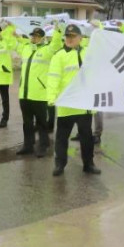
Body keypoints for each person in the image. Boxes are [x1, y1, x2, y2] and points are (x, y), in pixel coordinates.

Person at [47, 24, 100, 177]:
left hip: (84, 105)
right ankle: (60, 164)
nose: (69, 39)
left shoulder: (88, 52)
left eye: (73, 36)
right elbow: (53, 78)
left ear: (80, 38)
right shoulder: (59, 55)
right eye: (67, 36)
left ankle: (88, 164)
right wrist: (51, 97)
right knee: (62, 138)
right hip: (67, 104)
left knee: (87, 138)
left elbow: (101, 42)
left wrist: (99, 26)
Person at [11, 24, 63, 157]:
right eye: (33, 36)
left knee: (41, 123)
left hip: (40, 94)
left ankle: (43, 145)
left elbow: (56, 44)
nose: (34, 38)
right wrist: (9, 30)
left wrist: (58, 30)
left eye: (37, 36)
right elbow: (12, 43)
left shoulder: (47, 50)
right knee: (27, 123)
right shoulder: (26, 48)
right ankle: (28, 145)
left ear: (42, 38)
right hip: (25, 93)